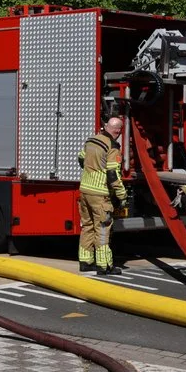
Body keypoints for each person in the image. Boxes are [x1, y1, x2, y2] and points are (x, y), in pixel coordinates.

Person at [77, 117, 127, 275]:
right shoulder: (112, 146)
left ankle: (85, 261)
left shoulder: (91, 140)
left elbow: (81, 158)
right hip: (100, 193)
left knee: (87, 226)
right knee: (103, 228)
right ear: (118, 131)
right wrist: (122, 194)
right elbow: (113, 174)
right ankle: (104, 265)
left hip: (85, 190)